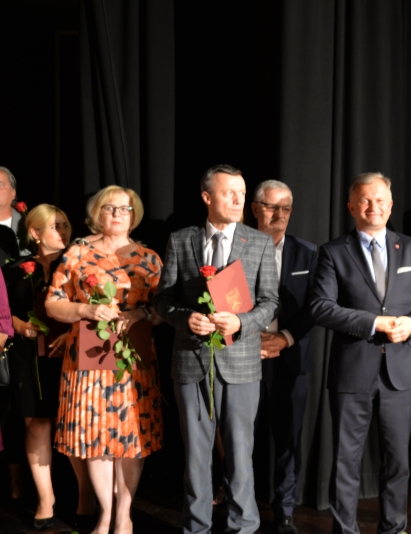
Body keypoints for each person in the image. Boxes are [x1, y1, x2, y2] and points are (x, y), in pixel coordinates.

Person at [310, 172, 411, 534]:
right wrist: (374, 322)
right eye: (366, 200)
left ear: (391, 205)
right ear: (352, 207)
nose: (374, 206)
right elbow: (320, 307)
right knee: (345, 461)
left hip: (402, 373)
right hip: (352, 372)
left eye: (381, 200)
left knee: (398, 462)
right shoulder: (333, 251)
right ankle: (345, 530)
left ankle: (393, 529)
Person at [154, 164, 280, 534]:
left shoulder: (258, 242)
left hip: (241, 363)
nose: (239, 199)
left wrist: (242, 323)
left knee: (240, 453)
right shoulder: (181, 240)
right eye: (230, 193)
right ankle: (197, 527)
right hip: (191, 361)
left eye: (242, 192)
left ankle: (244, 526)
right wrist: (185, 319)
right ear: (207, 197)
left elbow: (270, 302)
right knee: (196, 454)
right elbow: (163, 300)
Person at [45, 186, 164, 534]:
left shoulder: (149, 258)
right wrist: (86, 310)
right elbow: (53, 303)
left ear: (134, 215)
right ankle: (106, 513)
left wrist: (141, 313)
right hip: (88, 358)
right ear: (97, 213)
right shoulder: (77, 253)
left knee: (131, 437)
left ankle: (124, 514)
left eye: (125, 209)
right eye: (110, 208)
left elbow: (164, 309)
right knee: (94, 437)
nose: (117, 214)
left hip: (132, 359)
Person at [250, 179, 317, 534]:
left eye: (286, 207)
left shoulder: (308, 253)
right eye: (271, 206)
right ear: (255, 209)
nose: (279, 214)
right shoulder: (236, 248)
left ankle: (285, 509)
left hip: (291, 359)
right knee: (241, 437)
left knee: (289, 438)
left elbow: (316, 305)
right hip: (245, 357)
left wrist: (285, 338)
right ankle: (240, 505)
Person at [3, 204, 76, 530]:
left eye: (65, 225)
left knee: (73, 423)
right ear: (34, 232)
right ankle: (45, 500)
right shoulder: (14, 269)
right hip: (28, 356)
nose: (62, 231)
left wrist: (72, 334)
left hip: (72, 355)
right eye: (54, 226)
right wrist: (20, 326)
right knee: (37, 424)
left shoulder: (78, 263)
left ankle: (84, 497)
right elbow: (4, 311)